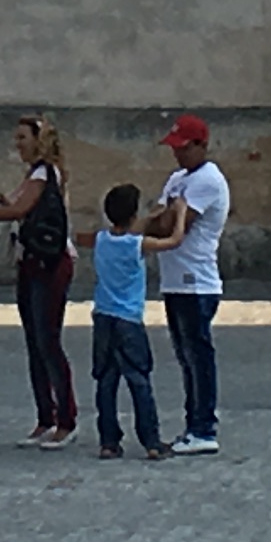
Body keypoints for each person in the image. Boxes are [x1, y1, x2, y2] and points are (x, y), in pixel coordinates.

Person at [0, 115, 79, 449]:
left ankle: (65, 418)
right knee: (36, 341)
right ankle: (46, 417)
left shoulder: (44, 174)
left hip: (48, 262)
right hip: (33, 260)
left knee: (47, 340)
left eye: (22, 137)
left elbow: (17, 210)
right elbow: (18, 207)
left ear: (38, 140)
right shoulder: (34, 175)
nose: (17, 144)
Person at [151, 115, 231, 455]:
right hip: (175, 282)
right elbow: (157, 220)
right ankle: (192, 424)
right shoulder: (176, 179)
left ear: (201, 146)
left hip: (196, 282)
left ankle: (203, 427)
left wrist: (169, 214)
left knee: (198, 356)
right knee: (185, 357)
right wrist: (167, 214)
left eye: (184, 148)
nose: (178, 155)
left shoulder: (209, 181)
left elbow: (170, 225)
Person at [88, 180, 165, 460]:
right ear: (133, 215)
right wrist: (178, 216)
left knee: (106, 381)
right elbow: (173, 241)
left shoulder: (100, 240)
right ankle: (151, 440)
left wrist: (148, 218)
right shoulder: (138, 245)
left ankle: (108, 441)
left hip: (103, 317)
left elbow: (128, 230)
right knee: (139, 380)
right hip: (130, 321)